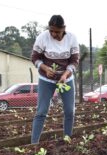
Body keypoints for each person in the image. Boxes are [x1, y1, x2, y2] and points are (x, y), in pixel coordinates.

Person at [30, 15, 79, 144]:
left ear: (63, 29)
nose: (53, 33)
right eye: (51, 30)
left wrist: (66, 74)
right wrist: (45, 68)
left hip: (65, 80)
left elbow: (74, 61)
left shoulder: (72, 39)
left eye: (57, 31)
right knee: (41, 111)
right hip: (46, 80)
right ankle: (34, 144)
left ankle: (67, 140)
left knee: (69, 111)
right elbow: (35, 58)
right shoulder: (42, 37)